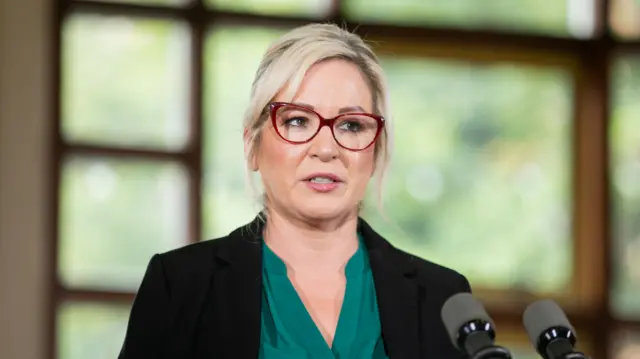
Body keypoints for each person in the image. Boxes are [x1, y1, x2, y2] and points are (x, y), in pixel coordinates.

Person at [119, 22, 471, 359]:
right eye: (297, 121)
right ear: (252, 145)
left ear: (376, 150)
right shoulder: (181, 286)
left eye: (351, 125)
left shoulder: (443, 298)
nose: (326, 148)